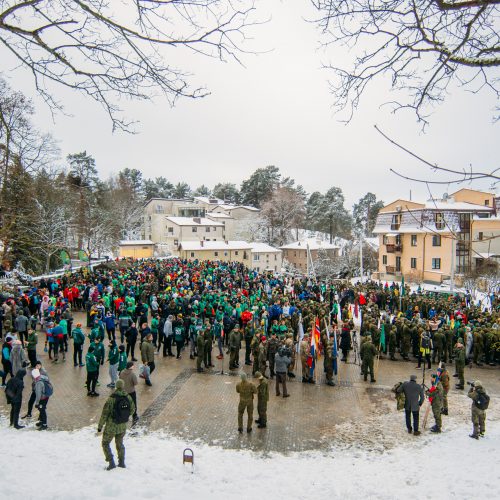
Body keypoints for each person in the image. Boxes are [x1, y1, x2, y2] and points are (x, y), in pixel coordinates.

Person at [97, 379, 135, 470]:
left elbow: (105, 413)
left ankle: (111, 463)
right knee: (120, 444)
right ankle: (122, 462)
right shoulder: (128, 397)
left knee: (105, 443)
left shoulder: (111, 398)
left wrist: (100, 426)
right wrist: (124, 416)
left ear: (116, 386)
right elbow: (133, 410)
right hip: (122, 426)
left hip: (111, 426)